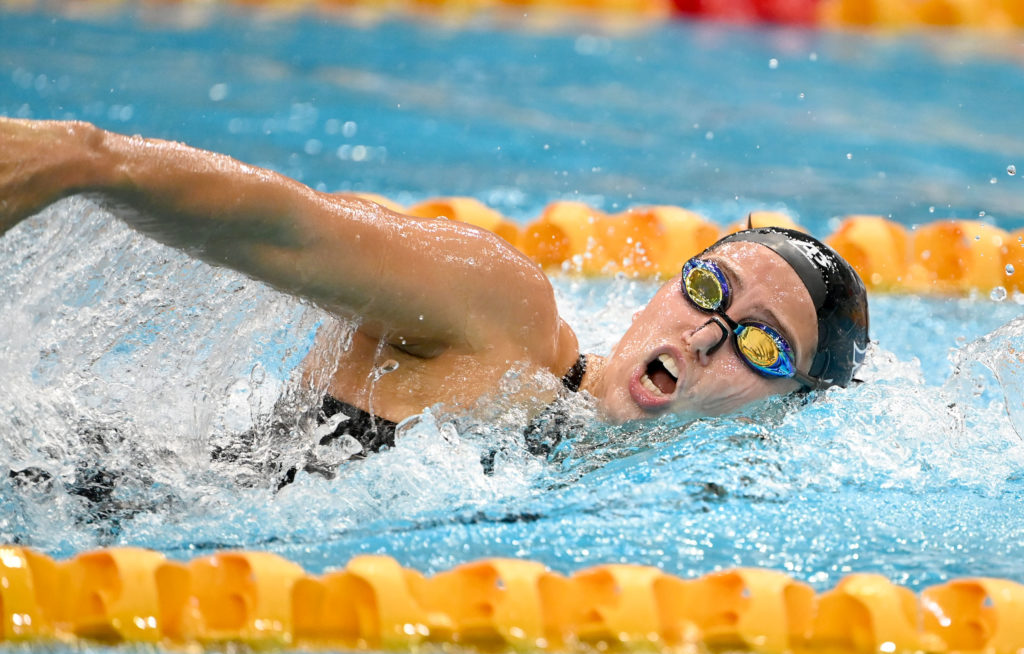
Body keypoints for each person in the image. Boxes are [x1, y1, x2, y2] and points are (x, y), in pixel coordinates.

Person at [0, 118, 870, 469]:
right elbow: (294, 227)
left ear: (782, 412)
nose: (710, 335)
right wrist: (85, 159)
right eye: (708, 286)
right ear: (654, 292)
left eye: (762, 344)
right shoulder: (506, 318)